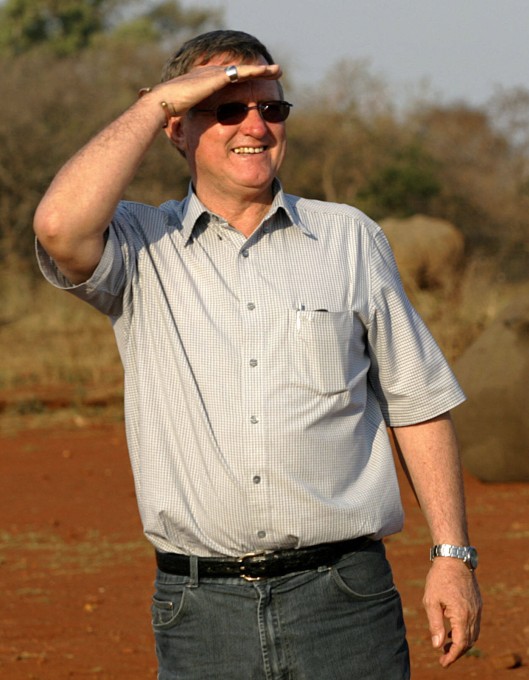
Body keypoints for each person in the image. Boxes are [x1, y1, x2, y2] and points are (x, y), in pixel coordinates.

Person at [33, 30, 481, 678]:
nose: (255, 126)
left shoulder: (349, 238)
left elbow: (418, 403)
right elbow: (57, 226)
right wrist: (155, 103)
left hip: (345, 599)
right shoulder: (140, 245)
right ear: (177, 127)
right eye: (226, 108)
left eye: (271, 108)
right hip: (200, 608)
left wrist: (452, 555)